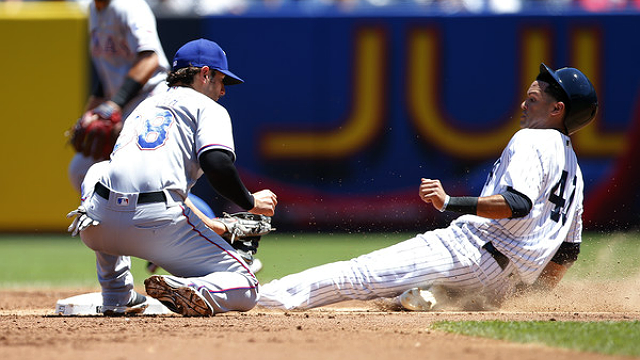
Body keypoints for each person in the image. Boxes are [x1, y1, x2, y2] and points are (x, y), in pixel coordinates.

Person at [257, 63, 597, 311]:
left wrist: (449, 201)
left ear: (557, 108)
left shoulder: (533, 139)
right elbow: (568, 253)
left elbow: (516, 203)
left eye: (533, 99)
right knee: (412, 291)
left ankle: (255, 295)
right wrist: (525, 298)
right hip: (501, 280)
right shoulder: (575, 173)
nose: (525, 105)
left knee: (358, 275)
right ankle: (429, 296)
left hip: (473, 251)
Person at [67, 38, 278, 316]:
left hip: (96, 227)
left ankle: (116, 294)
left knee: (99, 171)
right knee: (247, 285)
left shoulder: (141, 108)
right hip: (158, 226)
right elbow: (216, 163)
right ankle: (193, 288)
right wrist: (250, 201)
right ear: (205, 74)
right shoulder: (209, 108)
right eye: (221, 80)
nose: (223, 90)